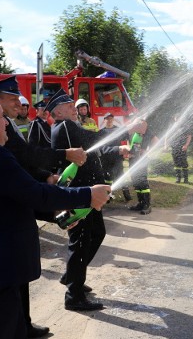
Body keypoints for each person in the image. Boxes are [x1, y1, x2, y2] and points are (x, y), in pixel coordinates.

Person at [0, 91, 110, 339]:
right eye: (1, 117)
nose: (7, 124)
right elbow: (36, 193)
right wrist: (88, 195)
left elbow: (17, 198)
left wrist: (56, 217)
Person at [0, 75, 87, 339]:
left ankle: (23, 323)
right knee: (5, 279)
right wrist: (64, 156)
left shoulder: (7, 124)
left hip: (17, 209)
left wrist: (46, 179)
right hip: (4, 217)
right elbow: (26, 157)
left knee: (18, 274)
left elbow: (26, 162)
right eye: (12, 99)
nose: (19, 103)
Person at [47, 89, 131, 311]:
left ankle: (73, 276)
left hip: (88, 193)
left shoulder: (70, 126)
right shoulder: (65, 126)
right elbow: (93, 138)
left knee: (96, 234)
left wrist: (117, 147)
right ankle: (73, 296)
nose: (73, 107)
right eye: (67, 105)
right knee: (81, 240)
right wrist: (123, 129)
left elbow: (95, 147)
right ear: (57, 112)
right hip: (79, 194)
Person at [128, 116, 159, 215]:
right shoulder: (134, 132)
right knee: (136, 181)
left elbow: (156, 141)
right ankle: (140, 203)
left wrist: (147, 151)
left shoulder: (147, 132)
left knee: (142, 181)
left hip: (141, 160)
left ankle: (147, 205)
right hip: (133, 159)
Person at [99, 112, 132, 201]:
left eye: (111, 118)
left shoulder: (119, 130)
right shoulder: (101, 132)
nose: (109, 120)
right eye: (107, 119)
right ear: (104, 120)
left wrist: (128, 148)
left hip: (117, 158)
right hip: (106, 158)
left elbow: (127, 138)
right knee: (108, 178)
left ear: (113, 119)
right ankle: (108, 197)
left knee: (121, 176)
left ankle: (127, 196)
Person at [166, 114, 192, 183]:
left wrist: (186, 145)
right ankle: (178, 179)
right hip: (174, 147)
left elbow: (189, 136)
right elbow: (167, 136)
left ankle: (186, 179)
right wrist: (165, 145)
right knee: (176, 163)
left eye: (179, 118)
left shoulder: (185, 126)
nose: (177, 119)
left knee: (184, 163)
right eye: (176, 118)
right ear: (174, 118)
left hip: (182, 147)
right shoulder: (172, 126)